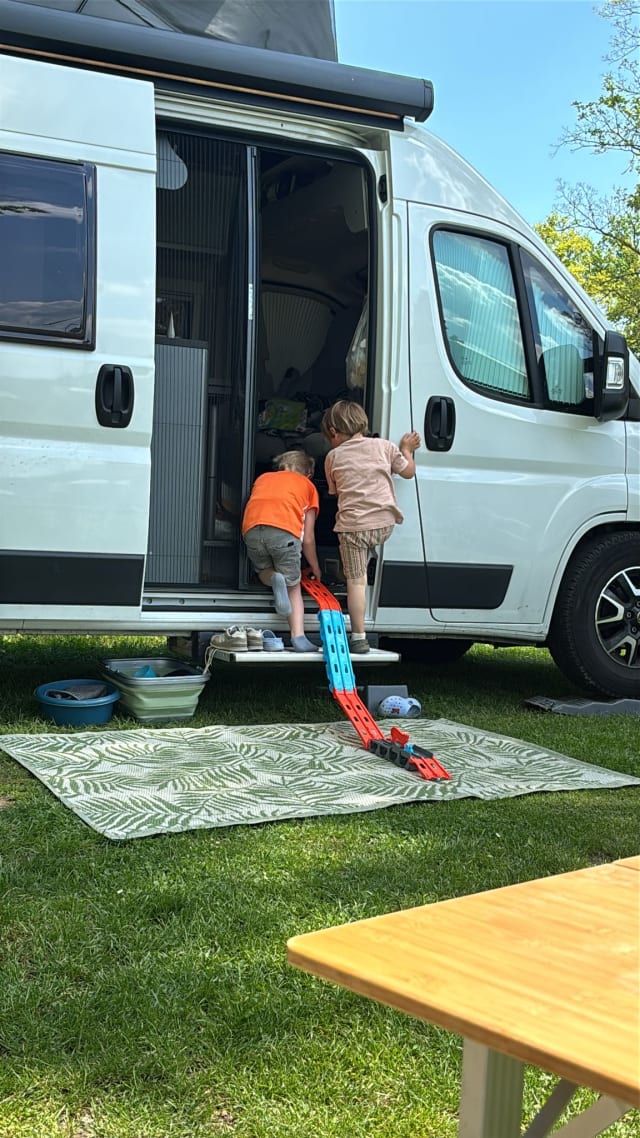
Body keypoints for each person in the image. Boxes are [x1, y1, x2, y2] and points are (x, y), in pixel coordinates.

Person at [321, 400, 420, 653]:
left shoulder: (333, 457)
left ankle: (358, 637)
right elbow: (408, 472)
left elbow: (334, 492)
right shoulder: (385, 447)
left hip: (354, 527)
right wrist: (407, 449)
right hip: (384, 524)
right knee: (365, 553)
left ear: (333, 431)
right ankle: (366, 559)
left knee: (356, 581)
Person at [242, 450, 322, 653]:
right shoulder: (308, 486)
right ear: (308, 474)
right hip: (284, 533)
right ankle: (298, 637)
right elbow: (308, 537)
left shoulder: (263, 478)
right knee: (293, 585)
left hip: (252, 531)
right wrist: (315, 566)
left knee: (263, 570)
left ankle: (274, 577)